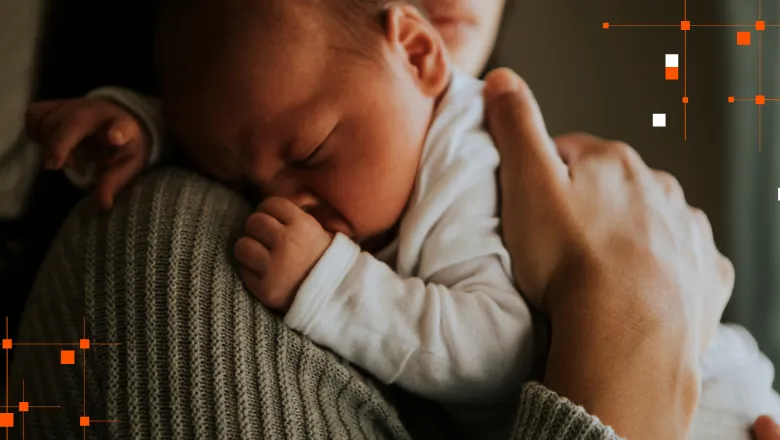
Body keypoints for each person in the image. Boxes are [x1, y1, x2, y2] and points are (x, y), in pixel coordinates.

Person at [7, 1, 780, 440]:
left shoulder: (463, 177)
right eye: (235, 179)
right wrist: (139, 123)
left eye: (310, 151)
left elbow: (493, 347)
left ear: (415, 50)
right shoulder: (169, 241)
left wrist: (332, 284)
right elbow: (258, 111)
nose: (281, 201)